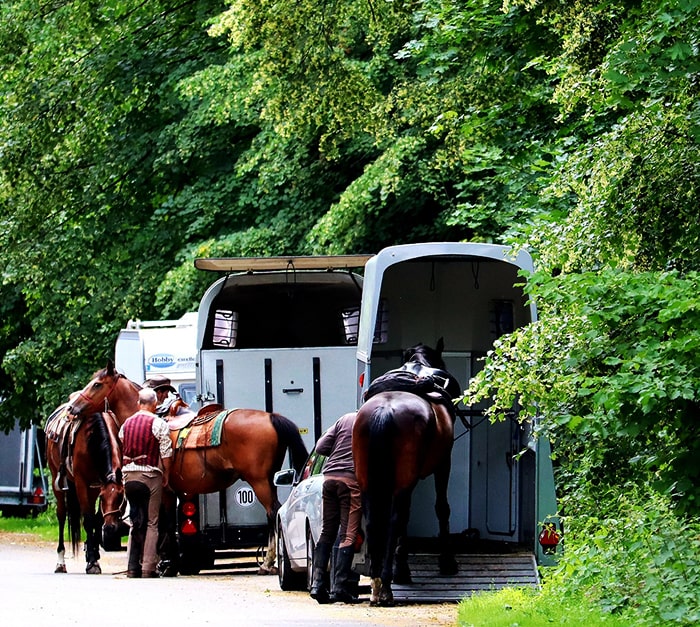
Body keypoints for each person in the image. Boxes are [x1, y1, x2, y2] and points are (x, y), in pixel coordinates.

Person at [119, 387, 173, 578]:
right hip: (150, 476)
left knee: (135, 521)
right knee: (152, 522)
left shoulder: (126, 424)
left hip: (129, 478)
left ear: (138, 403)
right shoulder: (158, 423)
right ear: (155, 404)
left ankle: (132, 566)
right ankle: (148, 567)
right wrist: (166, 473)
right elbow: (166, 451)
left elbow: (122, 442)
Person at [309, 411, 362, 604]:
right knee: (348, 533)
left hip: (329, 478)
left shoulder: (344, 418)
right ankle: (340, 587)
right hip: (350, 480)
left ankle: (317, 583)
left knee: (327, 531)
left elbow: (321, 446)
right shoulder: (368, 420)